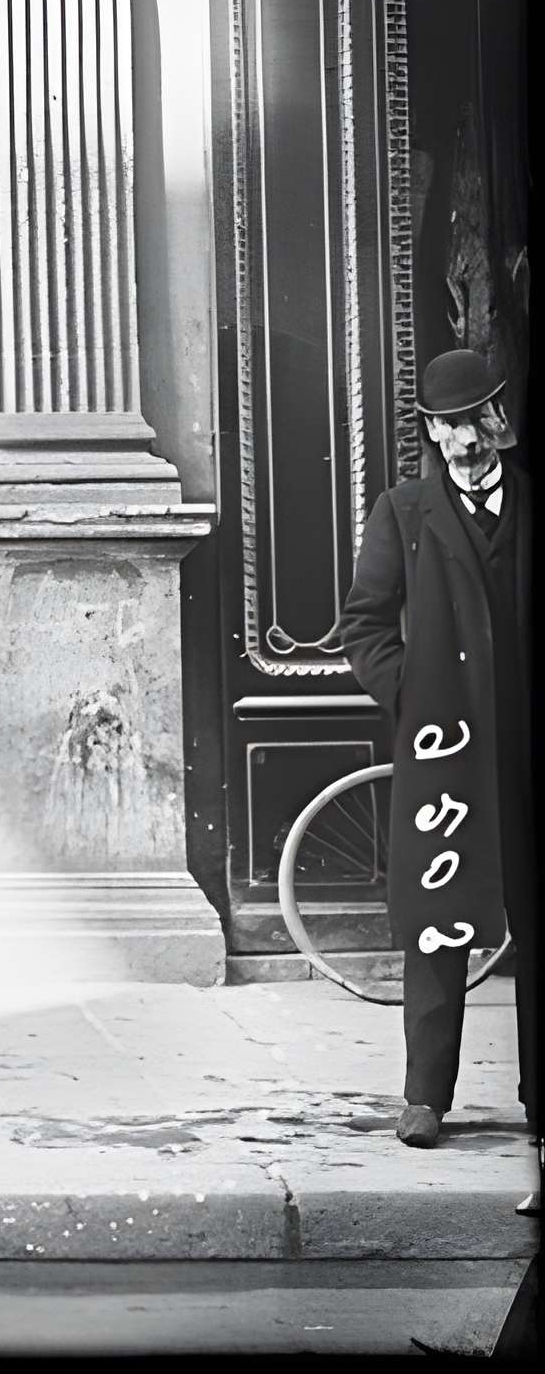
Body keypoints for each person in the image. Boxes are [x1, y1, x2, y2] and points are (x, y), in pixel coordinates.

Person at [341, 348, 534, 1177]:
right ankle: (426, 1095)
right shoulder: (404, 512)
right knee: (438, 919)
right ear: (430, 431)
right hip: (445, 750)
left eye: (477, 420)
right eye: (449, 426)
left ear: (501, 417)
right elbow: (364, 624)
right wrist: (414, 697)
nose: (467, 440)